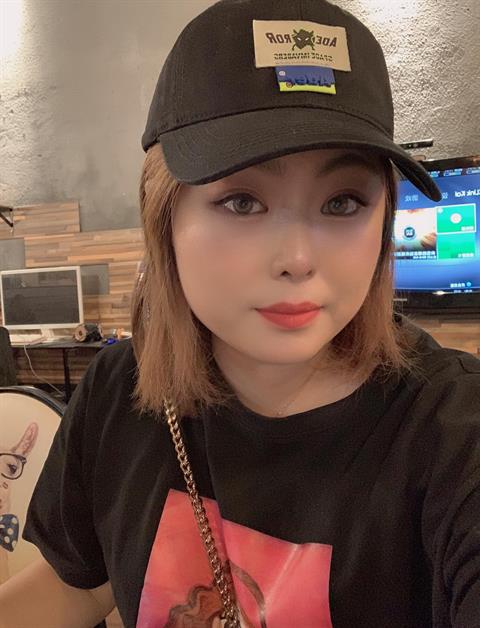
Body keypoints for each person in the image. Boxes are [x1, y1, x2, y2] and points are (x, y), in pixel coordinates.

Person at [0, 0, 479, 626]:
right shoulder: (120, 391)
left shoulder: (452, 433)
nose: (298, 260)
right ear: (165, 216)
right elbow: (81, 584)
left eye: (342, 202)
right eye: (243, 202)